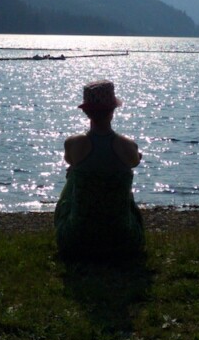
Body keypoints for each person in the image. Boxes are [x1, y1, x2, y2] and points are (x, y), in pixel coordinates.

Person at [54, 80, 145, 260]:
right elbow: (135, 161)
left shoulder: (74, 144)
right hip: (123, 242)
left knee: (73, 172)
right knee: (122, 176)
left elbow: (69, 159)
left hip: (76, 242)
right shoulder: (127, 146)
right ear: (112, 112)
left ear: (87, 112)